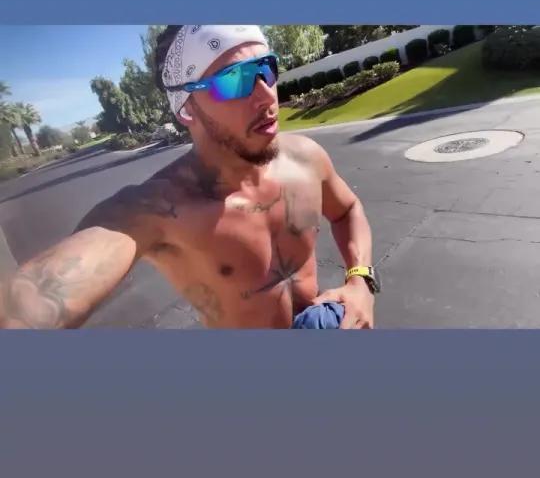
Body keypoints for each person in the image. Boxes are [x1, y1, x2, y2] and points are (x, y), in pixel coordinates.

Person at [0, 25, 380, 330]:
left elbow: (347, 210)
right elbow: (34, 301)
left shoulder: (305, 158)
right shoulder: (158, 210)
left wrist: (360, 280)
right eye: (236, 79)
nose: (266, 94)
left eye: (267, 68)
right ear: (186, 108)